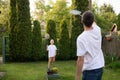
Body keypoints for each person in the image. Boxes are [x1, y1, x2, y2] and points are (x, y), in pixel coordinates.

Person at [76, 11, 105, 80]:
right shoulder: (98, 30)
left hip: (90, 70)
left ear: (81, 21)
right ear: (93, 20)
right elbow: (94, 23)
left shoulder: (81, 38)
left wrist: (77, 77)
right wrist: (88, 18)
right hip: (100, 67)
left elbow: (80, 60)